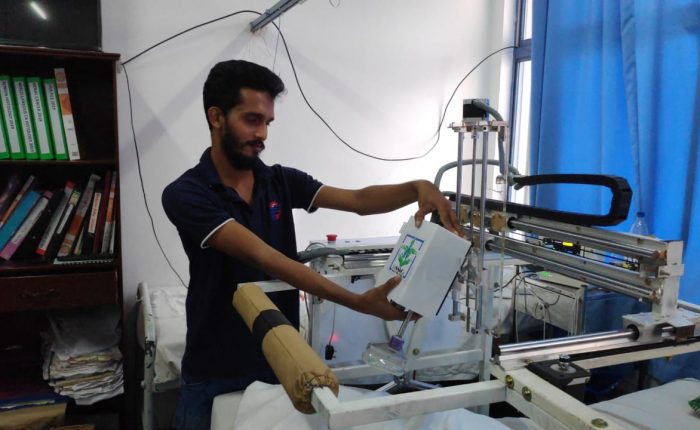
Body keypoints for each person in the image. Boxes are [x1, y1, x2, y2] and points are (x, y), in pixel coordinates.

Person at [161, 59, 460, 429]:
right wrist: (358, 302)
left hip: (281, 360)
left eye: (267, 122)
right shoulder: (185, 193)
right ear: (216, 116)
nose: (262, 134)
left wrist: (417, 187)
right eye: (252, 120)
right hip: (215, 367)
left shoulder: (279, 181)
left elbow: (358, 200)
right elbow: (265, 258)